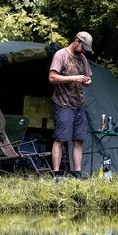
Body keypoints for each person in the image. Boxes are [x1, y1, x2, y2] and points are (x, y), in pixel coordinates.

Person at [48, 31, 93, 177]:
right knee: (60, 139)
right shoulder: (61, 55)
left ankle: (77, 173)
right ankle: (56, 174)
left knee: (79, 140)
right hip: (63, 104)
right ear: (76, 41)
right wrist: (75, 78)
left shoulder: (83, 58)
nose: (85, 50)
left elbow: (87, 77)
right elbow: (52, 77)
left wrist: (86, 81)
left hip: (79, 104)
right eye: (83, 47)